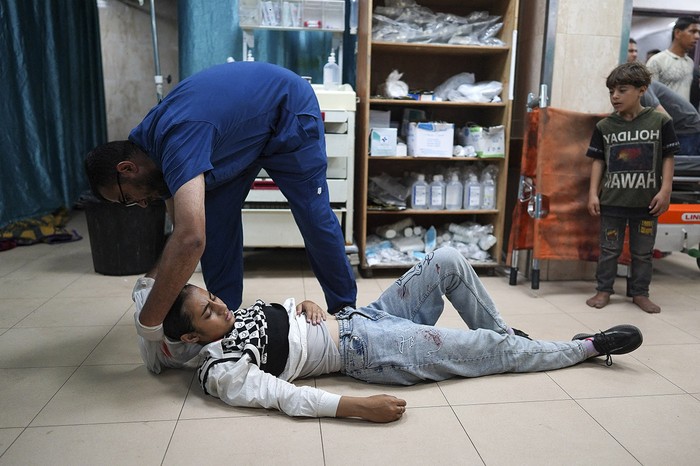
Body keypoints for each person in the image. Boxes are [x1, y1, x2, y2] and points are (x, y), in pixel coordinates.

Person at [133, 247, 644, 423]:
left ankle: (515, 346)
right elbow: (284, 397)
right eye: (208, 313)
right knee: (490, 349)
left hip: (367, 316)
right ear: (194, 340)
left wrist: (303, 304)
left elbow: (284, 314)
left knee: (446, 260)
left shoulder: (233, 318)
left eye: (210, 297)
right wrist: (357, 408)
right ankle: (586, 347)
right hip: (371, 353)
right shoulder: (221, 371)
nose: (220, 304)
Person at [85, 62, 358, 333]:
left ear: (127, 169)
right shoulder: (148, 145)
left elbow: (190, 239)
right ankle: (226, 321)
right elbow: (181, 229)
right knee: (215, 221)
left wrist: (149, 323)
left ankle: (347, 312)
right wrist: (152, 281)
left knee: (313, 215)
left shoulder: (178, 139)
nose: (140, 204)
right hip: (240, 135)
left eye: (127, 198)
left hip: (287, 109)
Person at [586, 62, 680, 314]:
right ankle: (603, 289)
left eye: (622, 90)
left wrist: (666, 190)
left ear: (642, 90)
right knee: (609, 250)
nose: (615, 96)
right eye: (611, 91)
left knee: (642, 252)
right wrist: (593, 193)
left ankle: (640, 293)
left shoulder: (660, 121)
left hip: (647, 202)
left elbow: (668, 157)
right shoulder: (605, 127)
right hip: (613, 201)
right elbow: (599, 161)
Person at [645, 16, 700, 101]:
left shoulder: (690, 62)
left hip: (684, 114)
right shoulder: (657, 60)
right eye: (692, 31)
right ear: (677, 33)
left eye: (698, 32)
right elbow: (648, 95)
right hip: (663, 114)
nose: (697, 36)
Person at [641, 80, 700, 155]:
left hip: (687, 128)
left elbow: (666, 119)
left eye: (623, 90)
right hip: (680, 126)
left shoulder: (643, 91)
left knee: (680, 164)